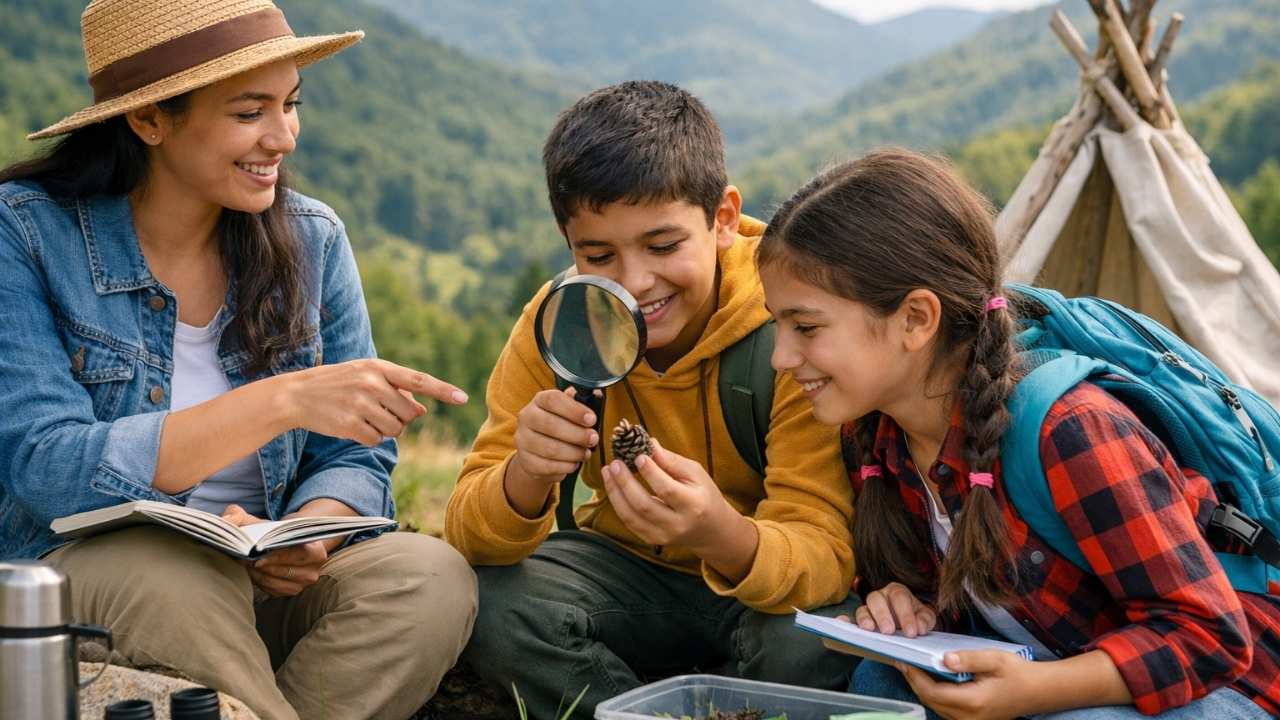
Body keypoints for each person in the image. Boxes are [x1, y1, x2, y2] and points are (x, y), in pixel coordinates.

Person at [0, 1, 477, 718]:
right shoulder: (27, 234)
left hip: (258, 583)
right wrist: (278, 402)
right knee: (177, 578)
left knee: (427, 576)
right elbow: (46, 465)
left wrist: (313, 529)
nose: (283, 136)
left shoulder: (313, 240)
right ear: (150, 120)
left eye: (291, 105)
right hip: (102, 578)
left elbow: (356, 460)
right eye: (250, 111)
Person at [755, 148, 1280, 719]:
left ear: (915, 319)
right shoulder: (878, 436)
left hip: (1223, 687)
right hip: (1047, 665)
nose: (783, 357)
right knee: (879, 681)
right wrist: (906, 608)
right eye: (777, 325)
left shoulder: (1071, 431)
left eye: (806, 327)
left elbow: (1212, 638)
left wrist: (1033, 692)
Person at [445, 80, 859, 719]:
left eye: (663, 246)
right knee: (491, 603)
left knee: (820, 638)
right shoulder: (558, 324)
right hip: (623, 576)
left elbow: (826, 548)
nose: (636, 283)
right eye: (598, 255)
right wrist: (525, 474)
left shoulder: (790, 326)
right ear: (568, 243)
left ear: (722, 219)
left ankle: (713, 693)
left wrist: (720, 533)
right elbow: (468, 527)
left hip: (763, 581)